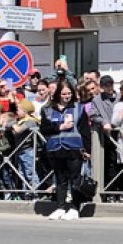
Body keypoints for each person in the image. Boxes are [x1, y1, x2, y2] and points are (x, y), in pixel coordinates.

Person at [38, 78, 92, 220]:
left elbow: (85, 131)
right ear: (57, 95)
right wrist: (59, 127)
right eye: (63, 94)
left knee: (75, 179)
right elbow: (43, 129)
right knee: (60, 179)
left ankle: (74, 208)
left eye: (69, 93)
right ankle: (61, 207)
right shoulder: (47, 110)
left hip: (74, 148)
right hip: (55, 149)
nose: (66, 96)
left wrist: (87, 149)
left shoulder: (78, 108)